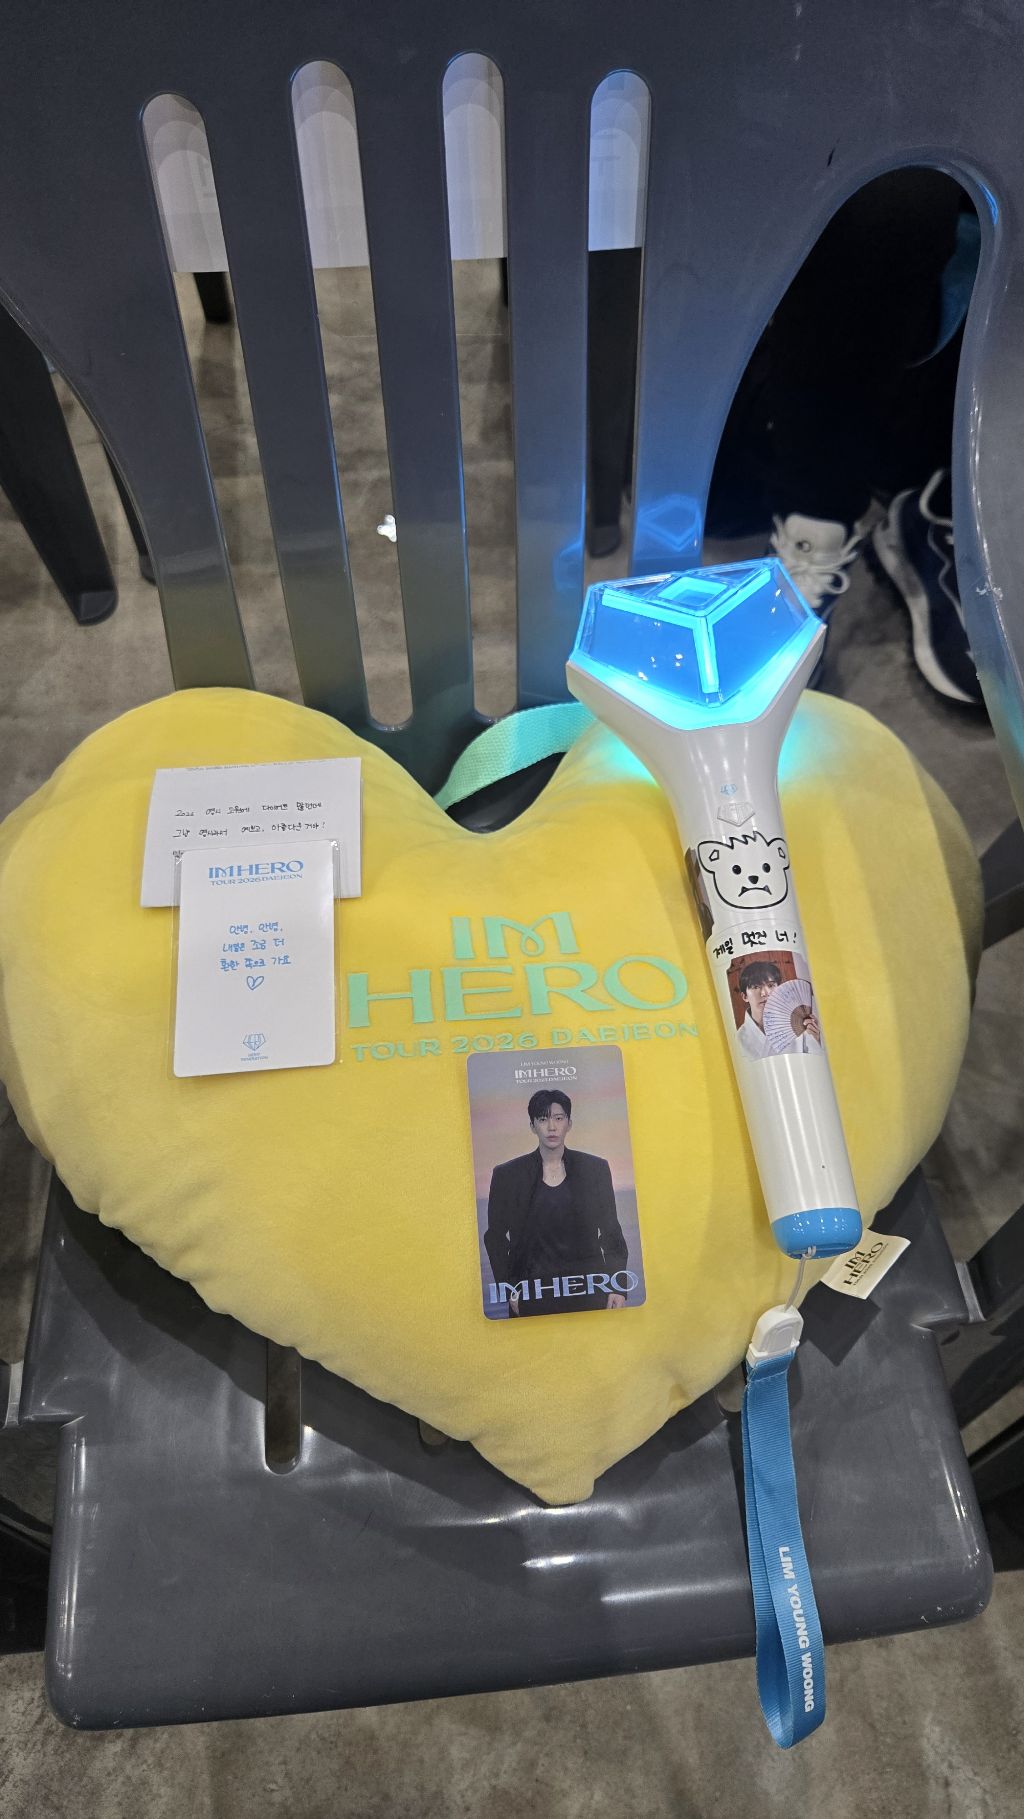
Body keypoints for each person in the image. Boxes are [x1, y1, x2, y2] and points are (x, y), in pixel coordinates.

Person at [483, 1089, 629, 1317]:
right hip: (531, 1295)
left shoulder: (595, 1169)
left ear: (569, 1123)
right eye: (543, 1119)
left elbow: (611, 1232)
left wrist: (618, 1287)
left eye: (559, 1118)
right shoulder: (507, 1175)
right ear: (532, 1125)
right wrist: (510, 1290)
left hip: (590, 1291)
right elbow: (495, 1238)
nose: (551, 1127)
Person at [736, 960, 820, 1060]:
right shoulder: (738, 1039)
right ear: (745, 996)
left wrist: (815, 1040)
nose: (765, 993)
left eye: (771, 985)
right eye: (756, 987)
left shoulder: (801, 1026)